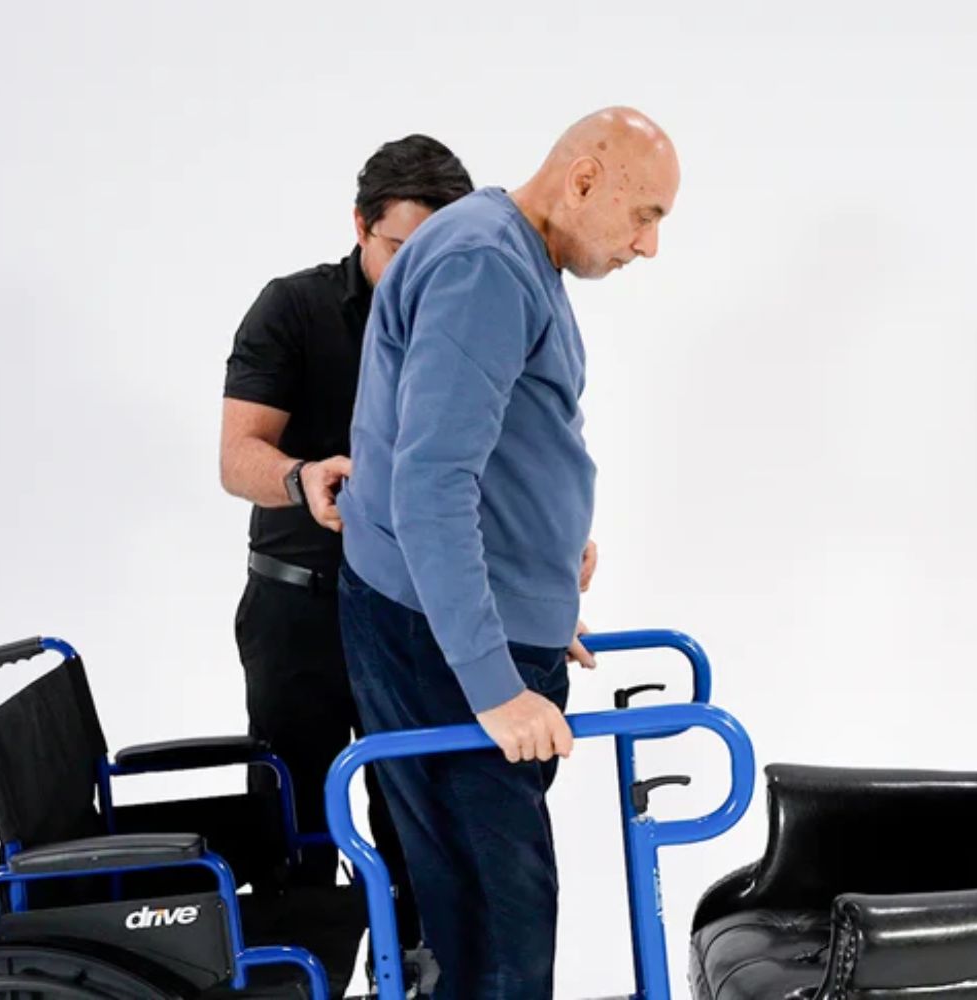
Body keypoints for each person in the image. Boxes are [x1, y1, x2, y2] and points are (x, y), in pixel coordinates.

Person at [336, 107, 680, 999]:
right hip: (439, 643)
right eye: (645, 215)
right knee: (498, 934)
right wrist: (493, 680)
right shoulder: (486, 264)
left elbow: (511, 444)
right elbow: (429, 484)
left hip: (468, 621)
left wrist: (538, 588)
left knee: (497, 919)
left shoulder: (517, 254)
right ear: (583, 181)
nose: (649, 247)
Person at [219, 134, 474, 953]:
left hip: (411, 612)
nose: (420, 273)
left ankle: (416, 980)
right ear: (360, 226)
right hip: (299, 613)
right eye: (402, 249)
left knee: (420, 829)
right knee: (297, 840)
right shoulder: (292, 308)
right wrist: (301, 479)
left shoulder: (465, 314)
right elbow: (237, 456)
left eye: (440, 252)